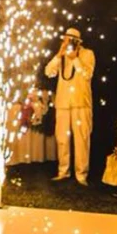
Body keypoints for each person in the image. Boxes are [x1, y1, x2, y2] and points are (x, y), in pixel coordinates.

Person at [44, 28, 95, 186]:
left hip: (81, 103)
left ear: (78, 42)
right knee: (62, 139)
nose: (66, 42)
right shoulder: (62, 55)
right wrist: (60, 55)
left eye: (69, 40)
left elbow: (87, 75)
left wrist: (75, 59)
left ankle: (81, 175)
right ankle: (63, 171)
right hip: (63, 103)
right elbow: (48, 72)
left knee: (82, 139)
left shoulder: (88, 54)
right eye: (65, 40)